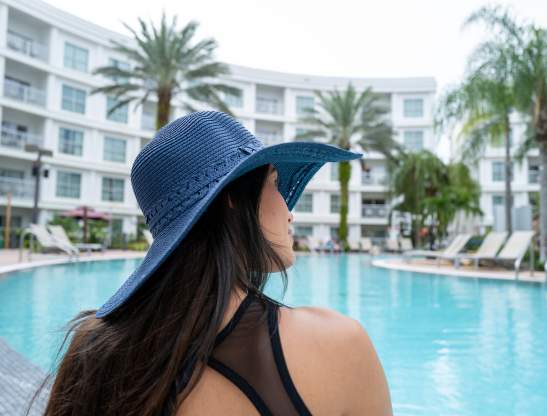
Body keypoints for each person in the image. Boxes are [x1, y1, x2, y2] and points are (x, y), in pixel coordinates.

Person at [31, 111, 392, 415]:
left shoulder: (93, 352)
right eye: (275, 184)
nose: (289, 212)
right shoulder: (337, 346)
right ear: (233, 198)